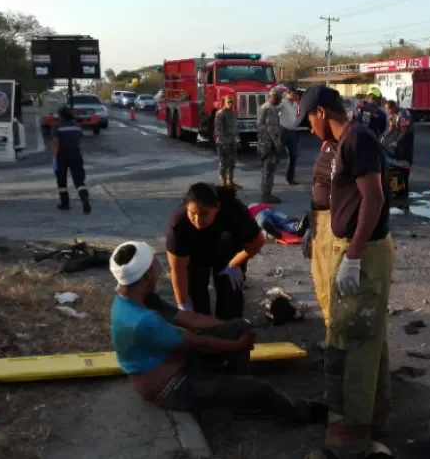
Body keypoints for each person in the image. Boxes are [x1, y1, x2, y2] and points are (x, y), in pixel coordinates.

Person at [108, 240, 328, 422]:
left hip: (182, 365)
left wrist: (229, 328)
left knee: (238, 326)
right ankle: (301, 412)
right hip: (176, 389)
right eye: (154, 267)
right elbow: (196, 342)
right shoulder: (143, 321)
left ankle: (244, 399)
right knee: (259, 388)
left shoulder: (135, 299)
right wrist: (236, 345)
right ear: (147, 277)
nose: (158, 270)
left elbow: (188, 318)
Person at [295, 85, 395, 459]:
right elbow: (338, 195)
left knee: (351, 341)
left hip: (364, 251)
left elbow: (374, 197)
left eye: (308, 119)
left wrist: (353, 255)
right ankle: (373, 417)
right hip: (355, 247)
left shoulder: (357, 139)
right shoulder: (341, 142)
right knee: (366, 339)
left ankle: (348, 439)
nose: (308, 128)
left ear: (320, 112)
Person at [166, 182, 266, 319]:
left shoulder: (234, 209)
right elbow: (177, 269)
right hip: (195, 251)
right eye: (192, 213)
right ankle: (203, 329)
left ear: (217, 208)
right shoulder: (178, 224)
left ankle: (230, 329)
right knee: (196, 290)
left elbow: (257, 241)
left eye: (204, 214)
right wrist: (183, 304)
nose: (197, 220)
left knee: (229, 293)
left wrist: (235, 263)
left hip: (227, 247)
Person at [302, 135, 339, 341]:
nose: (310, 128)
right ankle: (331, 336)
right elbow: (318, 187)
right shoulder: (327, 147)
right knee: (322, 286)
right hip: (320, 223)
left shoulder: (345, 147)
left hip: (333, 225)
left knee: (333, 291)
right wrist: (310, 228)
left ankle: (336, 342)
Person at [50, 106, 91, 214]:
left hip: (61, 157)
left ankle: (65, 203)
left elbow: (55, 142)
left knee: (62, 181)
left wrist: (54, 158)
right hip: (76, 155)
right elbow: (78, 139)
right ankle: (84, 197)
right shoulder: (77, 126)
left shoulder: (57, 126)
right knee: (79, 181)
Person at [382, 100, 415, 211]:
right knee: (396, 173)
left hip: (405, 150)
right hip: (397, 151)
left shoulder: (403, 115)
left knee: (404, 173)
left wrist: (396, 143)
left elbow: (404, 131)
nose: (387, 111)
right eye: (386, 109)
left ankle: (404, 200)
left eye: (388, 109)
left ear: (393, 107)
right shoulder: (393, 115)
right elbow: (391, 128)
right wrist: (384, 138)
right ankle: (397, 197)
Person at [257, 87, 286, 204]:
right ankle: (266, 196)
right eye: (279, 99)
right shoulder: (271, 109)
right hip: (269, 145)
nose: (280, 101)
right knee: (269, 171)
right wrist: (278, 145)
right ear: (274, 98)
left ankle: (266, 194)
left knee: (265, 170)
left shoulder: (262, 107)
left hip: (262, 144)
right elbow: (272, 129)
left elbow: (261, 126)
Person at [279, 87, 304, 185]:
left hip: (293, 132)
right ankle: (269, 178)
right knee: (276, 156)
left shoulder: (295, 104)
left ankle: (290, 178)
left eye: (296, 93)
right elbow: (275, 113)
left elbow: (296, 116)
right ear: (288, 93)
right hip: (283, 131)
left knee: (293, 156)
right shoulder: (282, 103)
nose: (296, 95)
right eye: (294, 93)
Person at [215, 95, 240, 189]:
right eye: (228, 102)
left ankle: (230, 181)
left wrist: (237, 139)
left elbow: (235, 127)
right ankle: (224, 183)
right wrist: (222, 141)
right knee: (223, 163)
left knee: (232, 162)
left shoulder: (233, 113)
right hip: (223, 142)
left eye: (231, 102)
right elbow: (218, 130)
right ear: (224, 103)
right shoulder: (220, 113)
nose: (230, 104)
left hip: (232, 141)